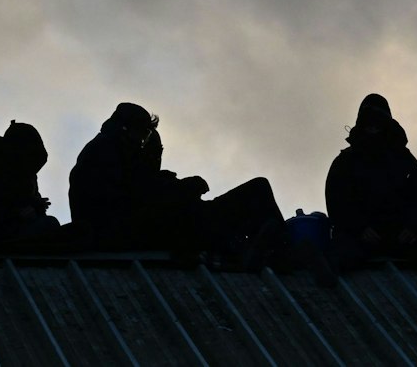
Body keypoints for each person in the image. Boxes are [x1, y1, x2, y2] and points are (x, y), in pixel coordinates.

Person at [69, 102, 282, 260]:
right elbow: (139, 197)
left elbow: (143, 191)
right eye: (144, 138)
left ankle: (270, 245)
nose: (147, 149)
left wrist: (174, 187)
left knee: (256, 191)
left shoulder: (113, 153)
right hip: (134, 234)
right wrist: (182, 189)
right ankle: (282, 249)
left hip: (150, 228)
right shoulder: (105, 154)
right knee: (255, 193)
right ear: (127, 130)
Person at [325, 94, 417, 270]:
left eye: (378, 121)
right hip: (361, 239)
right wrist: (359, 228)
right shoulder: (346, 161)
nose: (373, 126)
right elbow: (337, 202)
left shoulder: (404, 159)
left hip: (402, 238)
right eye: (368, 121)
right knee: (340, 254)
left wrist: (414, 228)